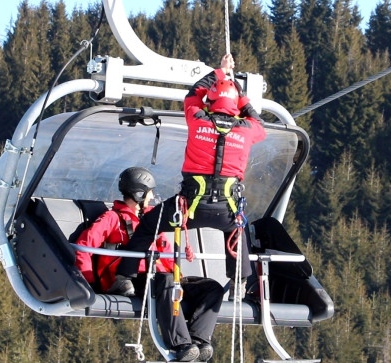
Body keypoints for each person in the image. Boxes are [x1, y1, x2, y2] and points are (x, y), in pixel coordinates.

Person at [110, 53, 267, 301]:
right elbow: (258, 122)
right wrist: (240, 94)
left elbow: (193, 94)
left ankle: (124, 278)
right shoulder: (246, 130)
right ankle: (239, 283)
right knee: (239, 231)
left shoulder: (198, 118)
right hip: (226, 210)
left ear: (211, 101)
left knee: (149, 225)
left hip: (188, 208)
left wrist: (219, 71)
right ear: (235, 107)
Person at [74, 167, 221, 361]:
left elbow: (166, 252)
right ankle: (180, 344)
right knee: (167, 281)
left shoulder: (152, 221)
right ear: (139, 193)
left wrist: (179, 278)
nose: (152, 197)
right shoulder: (112, 219)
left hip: (162, 278)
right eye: (150, 192)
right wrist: (89, 283)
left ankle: (199, 340)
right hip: (132, 280)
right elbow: (85, 245)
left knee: (211, 288)